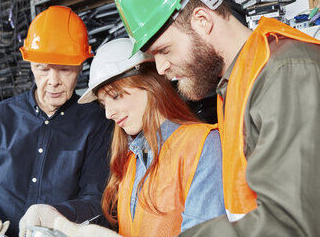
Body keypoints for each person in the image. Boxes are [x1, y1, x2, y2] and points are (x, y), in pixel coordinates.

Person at [113, 0, 320, 236]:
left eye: (164, 50)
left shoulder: (285, 73)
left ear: (202, 20)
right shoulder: (234, 84)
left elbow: (291, 224)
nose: (160, 68)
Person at [32, 38, 225, 237]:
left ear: (151, 85)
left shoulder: (203, 145)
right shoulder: (131, 160)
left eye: (115, 96)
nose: (108, 114)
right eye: (103, 104)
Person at [0, 6, 112, 237]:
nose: (53, 81)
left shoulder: (98, 121)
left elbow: (95, 200)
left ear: (80, 66)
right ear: (30, 64)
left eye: (65, 69)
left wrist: (52, 215)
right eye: (43, 69)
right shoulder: (1, 117)